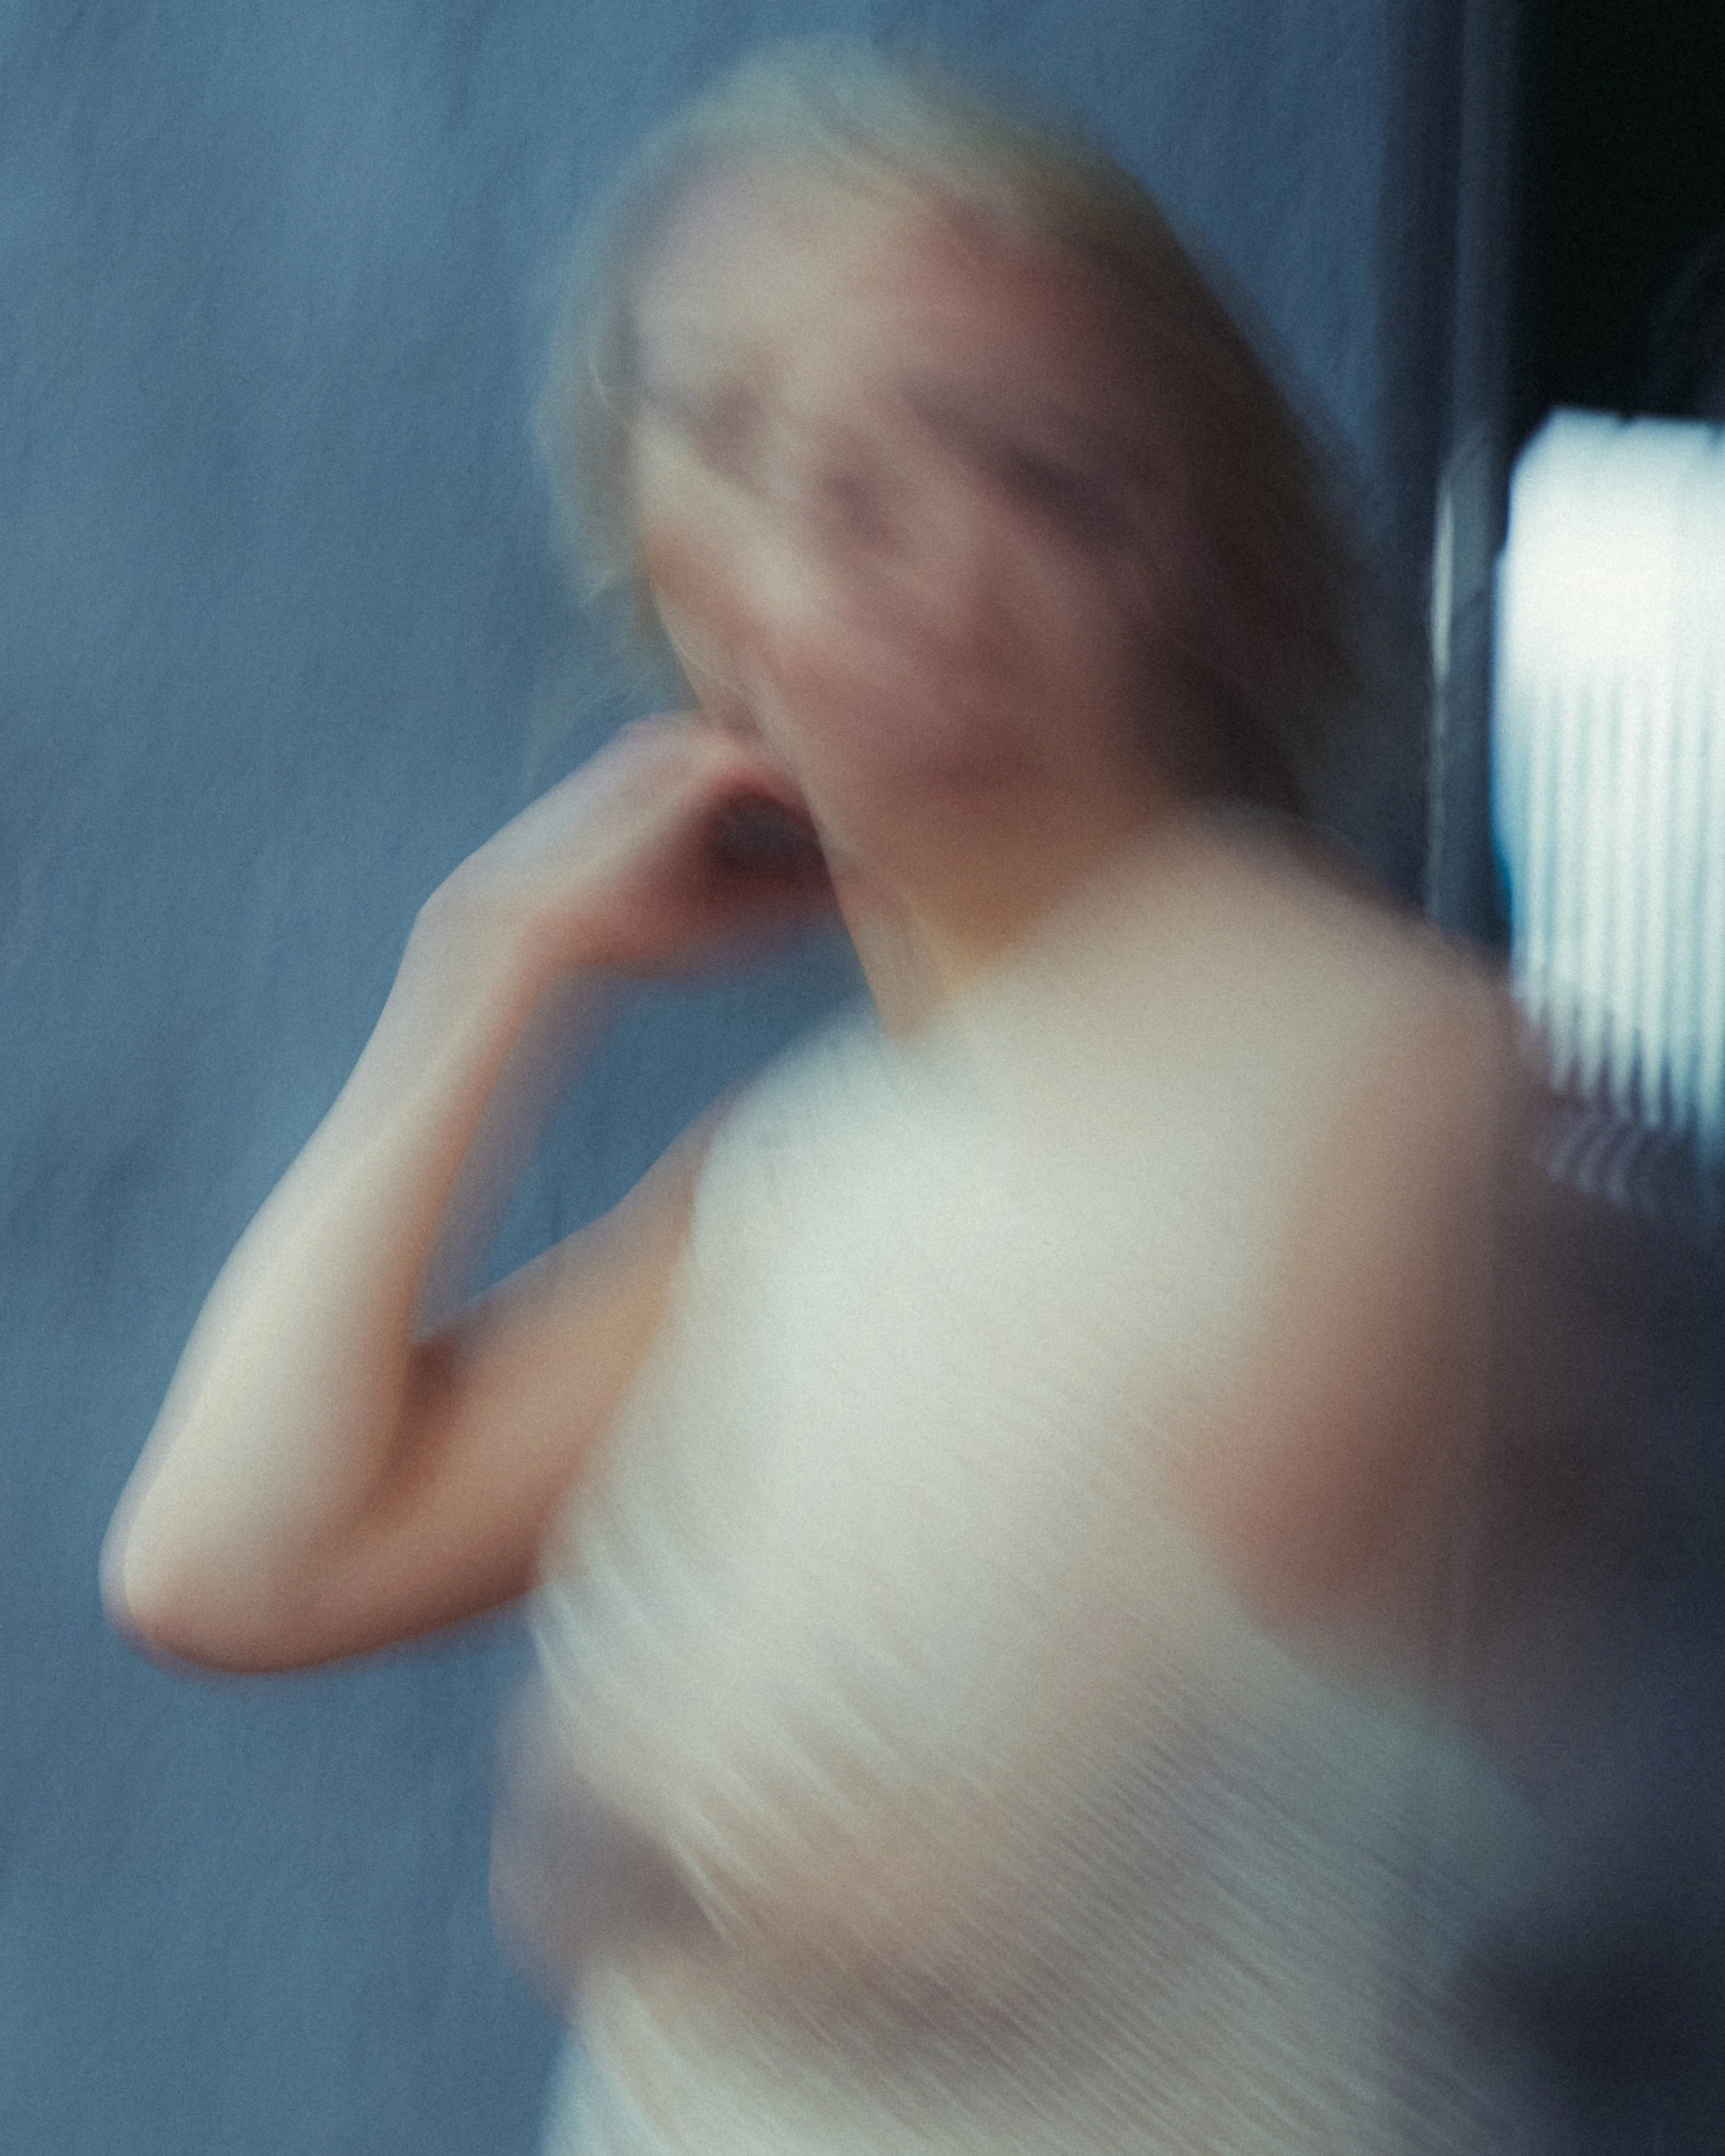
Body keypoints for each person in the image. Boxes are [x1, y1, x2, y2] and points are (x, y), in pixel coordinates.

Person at [103, 39, 1543, 2154]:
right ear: (687, 591)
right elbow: (229, 1563)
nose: (896, 558)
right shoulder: (799, 1178)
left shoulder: (1402, 1087)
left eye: (1013, 462)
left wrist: (627, 1835)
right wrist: (485, 965)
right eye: (755, 449)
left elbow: (1004, 1866)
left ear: (1173, 543)